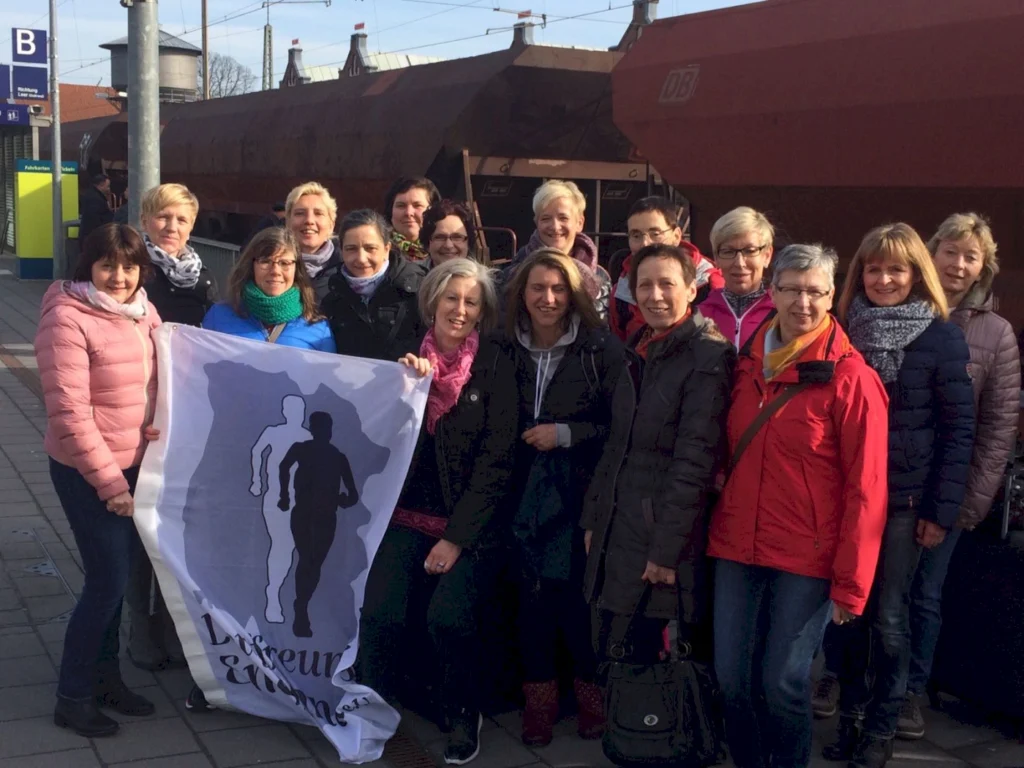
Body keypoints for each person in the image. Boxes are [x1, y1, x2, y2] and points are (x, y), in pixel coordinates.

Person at [706, 244, 890, 768]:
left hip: (806, 555)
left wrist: (852, 585)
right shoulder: (744, 365)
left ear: (833, 296)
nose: (803, 302)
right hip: (738, 545)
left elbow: (867, 488)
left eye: (816, 291)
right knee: (733, 679)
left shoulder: (851, 379)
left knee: (783, 682)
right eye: (791, 288)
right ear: (772, 292)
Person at [825, 224, 975, 768]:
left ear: (916, 274)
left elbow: (960, 431)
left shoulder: (940, 336)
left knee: (889, 618)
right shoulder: (839, 331)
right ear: (858, 274)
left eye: (896, 269)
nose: (883, 279)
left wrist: (940, 511)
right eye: (873, 268)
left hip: (904, 503)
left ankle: (881, 728)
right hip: (844, 497)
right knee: (846, 618)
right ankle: (848, 717)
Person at [357, 258, 516, 766]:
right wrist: (401, 390)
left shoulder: (495, 365)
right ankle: (370, 713)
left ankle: (461, 713)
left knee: (447, 618)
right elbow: (369, 434)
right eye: (451, 298)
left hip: (469, 526)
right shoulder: (400, 358)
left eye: (471, 302)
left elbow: (497, 463)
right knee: (379, 610)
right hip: (405, 516)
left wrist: (456, 538)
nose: (460, 310)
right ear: (431, 302)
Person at [894, 214, 1021, 738]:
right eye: (951, 252)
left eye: (971, 257)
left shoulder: (996, 334)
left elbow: (998, 430)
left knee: (923, 596)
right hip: (893, 482)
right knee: (873, 588)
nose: (959, 265)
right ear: (933, 252)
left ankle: (908, 693)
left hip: (946, 493)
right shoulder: (899, 312)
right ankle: (843, 675)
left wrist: (966, 506)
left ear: (982, 268)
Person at [582, 243, 733, 684]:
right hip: (622, 518)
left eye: (667, 284)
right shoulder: (639, 344)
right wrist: (596, 517)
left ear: (692, 289)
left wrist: (667, 552)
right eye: (644, 285)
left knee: (660, 658)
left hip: (661, 532)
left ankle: (663, 739)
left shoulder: (707, 356)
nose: (655, 295)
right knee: (623, 645)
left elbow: (694, 462)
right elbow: (616, 444)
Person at [35, 223, 162, 738]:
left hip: (134, 461)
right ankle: (73, 695)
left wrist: (156, 425)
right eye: (108, 265)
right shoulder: (66, 317)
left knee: (117, 577)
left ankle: (108, 680)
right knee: (106, 582)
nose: (119, 277)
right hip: (88, 470)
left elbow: (151, 382)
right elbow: (69, 412)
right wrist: (111, 484)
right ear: (87, 265)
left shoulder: (143, 311)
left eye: (129, 266)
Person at [502, 248, 624, 746]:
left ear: (574, 293)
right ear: (521, 294)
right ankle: (539, 700)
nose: (547, 299)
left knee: (577, 600)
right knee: (528, 602)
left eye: (557, 289)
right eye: (537, 288)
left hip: (575, 494)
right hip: (516, 493)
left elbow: (619, 430)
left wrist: (566, 434)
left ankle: (590, 696)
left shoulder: (600, 351)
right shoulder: (501, 345)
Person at [124, 183, 219, 674]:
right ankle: (140, 629)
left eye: (181, 220)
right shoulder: (133, 274)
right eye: (163, 218)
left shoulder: (203, 280)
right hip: (144, 420)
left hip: (187, 421)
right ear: (145, 218)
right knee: (143, 530)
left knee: (179, 531)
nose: (171, 228)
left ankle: (173, 627)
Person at [277, 410, 359, 638]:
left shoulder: (338, 457)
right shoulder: (300, 448)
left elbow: (353, 494)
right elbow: (284, 466)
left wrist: (342, 500)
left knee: (314, 563)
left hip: (326, 516)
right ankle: (301, 609)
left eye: (327, 427)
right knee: (307, 558)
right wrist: (284, 495)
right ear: (313, 429)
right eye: (320, 427)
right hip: (303, 513)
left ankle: (302, 604)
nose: (324, 432)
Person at [202, 227, 335, 352]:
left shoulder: (318, 327)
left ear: (296, 269)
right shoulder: (218, 316)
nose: (275, 271)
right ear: (250, 266)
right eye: (265, 261)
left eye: (285, 263)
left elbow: (324, 376)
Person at [609, 196, 722, 341]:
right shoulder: (620, 292)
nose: (645, 243)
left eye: (655, 234)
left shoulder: (711, 284)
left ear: (676, 236)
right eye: (636, 235)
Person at [321, 209, 427, 361]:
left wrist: (422, 362)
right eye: (351, 249)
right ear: (342, 251)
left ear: (386, 249)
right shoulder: (330, 295)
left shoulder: (417, 288)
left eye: (370, 248)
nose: (361, 259)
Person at [505, 180, 612, 318]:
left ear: (579, 223)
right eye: (546, 218)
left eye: (563, 218)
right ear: (536, 223)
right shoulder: (513, 273)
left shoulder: (600, 276)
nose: (555, 226)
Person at [700, 206, 776, 349]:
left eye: (750, 251)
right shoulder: (698, 316)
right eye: (728, 251)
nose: (740, 263)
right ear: (716, 258)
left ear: (767, 255)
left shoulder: (782, 314)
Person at [285, 183, 341, 302]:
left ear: (331, 224)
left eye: (318, 213)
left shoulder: (348, 267)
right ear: (288, 222)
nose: (309, 220)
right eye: (300, 213)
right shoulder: (272, 266)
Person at [384, 176, 441, 263]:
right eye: (401, 206)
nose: (408, 213)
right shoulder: (380, 252)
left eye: (417, 205)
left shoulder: (447, 250)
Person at [421, 199, 479, 267]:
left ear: (468, 243)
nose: (449, 245)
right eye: (440, 237)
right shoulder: (411, 275)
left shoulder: (482, 277)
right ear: (428, 243)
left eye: (457, 237)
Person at [79, 173, 114, 242]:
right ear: (101, 185)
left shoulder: (93, 195)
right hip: (93, 235)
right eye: (107, 186)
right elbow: (94, 218)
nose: (109, 189)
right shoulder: (95, 199)